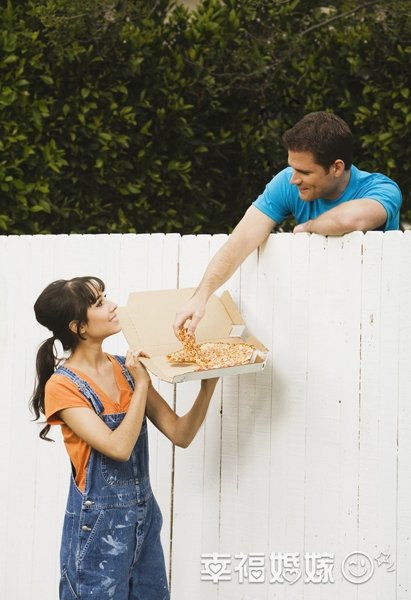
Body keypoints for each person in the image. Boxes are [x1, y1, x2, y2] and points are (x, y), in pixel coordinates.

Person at [30, 276, 218, 600]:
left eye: (106, 297)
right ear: (79, 327)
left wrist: (208, 385)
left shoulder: (124, 368)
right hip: (97, 532)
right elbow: (118, 447)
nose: (113, 305)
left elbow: (180, 433)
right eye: (100, 303)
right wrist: (141, 385)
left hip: (143, 524)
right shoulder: (62, 386)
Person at [174, 111, 402, 335]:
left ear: (336, 168)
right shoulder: (288, 182)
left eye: (304, 171)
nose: (294, 179)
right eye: (292, 168)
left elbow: (350, 219)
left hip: (377, 318)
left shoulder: (382, 189)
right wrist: (201, 296)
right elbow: (241, 240)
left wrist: (309, 227)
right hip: (319, 319)